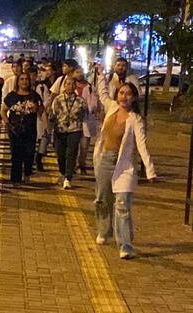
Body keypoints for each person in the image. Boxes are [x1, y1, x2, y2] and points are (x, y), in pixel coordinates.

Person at [93, 64, 157, 259]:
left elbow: (142, 145)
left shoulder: (135, 119)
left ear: (134, 97)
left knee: (122, 204)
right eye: (121, 93)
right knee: (102, 200)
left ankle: (125, 245)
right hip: (104, 159)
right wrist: (101, 75)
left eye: (128, 94)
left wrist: (150, 170)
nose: (124, 96)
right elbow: (103, 93)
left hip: (124, 166)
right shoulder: (111, 108)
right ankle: (104, 230)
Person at [2, 72, 44, 185]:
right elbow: (3, 110)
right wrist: (8, 123)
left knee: (29, 153)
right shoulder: (12, 96)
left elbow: (42, 111)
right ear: (18, 81)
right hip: (15, 130)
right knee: (16, 154)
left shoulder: (34, 96)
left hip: (30, 129)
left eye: (26, 79)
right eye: (22, 79)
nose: (24, 81)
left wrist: (44, 125)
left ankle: (27, 174)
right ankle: (15, 178)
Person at [48, 76, 87, 190]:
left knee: (71, 153)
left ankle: (68, 178)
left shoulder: (80, 101)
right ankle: (63, 172)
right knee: (60, 154)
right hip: (59, 130)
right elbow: (53, 114)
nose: (70, 86)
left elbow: (85, 114)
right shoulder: (58, 99)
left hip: (74, 130)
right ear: (64, 86)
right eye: (68, 84)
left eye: (72, 84)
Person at [73, 66, 98, 174]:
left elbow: (94, 102)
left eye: (81, 72)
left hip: (86, 120)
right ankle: (71, 164)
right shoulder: (70, 85)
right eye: (77, 72)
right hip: (73, 121)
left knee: (84, 146)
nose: (80, 74)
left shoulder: (89, 87)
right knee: (73, 145)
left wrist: (91, 109)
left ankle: (81, 164)